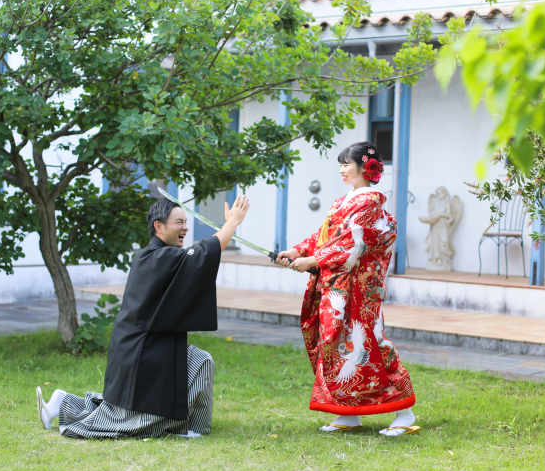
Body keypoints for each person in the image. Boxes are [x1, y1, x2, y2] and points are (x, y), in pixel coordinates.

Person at [36, 194, 250, 438]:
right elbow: (202, 254)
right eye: (178, 222)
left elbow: (195, 261)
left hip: (155, 345)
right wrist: (231, 223)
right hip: (141, 352)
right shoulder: (154, 257)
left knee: (202, 361)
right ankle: (64, 404)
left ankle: (192, 426)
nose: (185, 227)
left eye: (185, 222)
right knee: (133, 421)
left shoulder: (164, 256)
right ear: (159, 227)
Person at [277, 141, 418, 436]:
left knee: (371, 344)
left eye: (346, 163)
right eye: (340, 164)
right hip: (339, 286)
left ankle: (404, 412)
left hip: (359, 290)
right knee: (337, 345)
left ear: (365, 168)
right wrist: (296, 251)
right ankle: (348, 414)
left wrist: (313, 260)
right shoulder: (345, 202)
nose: (342, 169)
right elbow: (325, 236)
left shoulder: (368, 204)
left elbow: (351, 244)